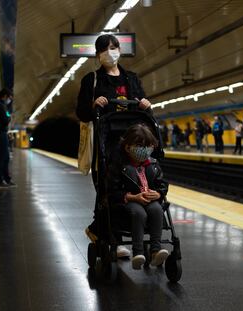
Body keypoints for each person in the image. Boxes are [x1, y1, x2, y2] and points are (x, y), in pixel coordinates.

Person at [76, 34, 152, 257]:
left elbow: (142, 108)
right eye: (107, 49)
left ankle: (101, 229)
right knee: (109, 191)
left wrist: (146, 104)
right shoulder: (92, 81)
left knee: (133, 188)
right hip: (105, 145)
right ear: (98, 54)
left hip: (131, 146)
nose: (112, 52)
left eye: (115, 47)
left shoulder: (131, 79)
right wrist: (93, 105)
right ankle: (113, 238)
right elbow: (81, 113)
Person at [107, 124, 169, 269]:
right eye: (140, 145)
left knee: (157, 210)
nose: (144, 149)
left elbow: (162, 183)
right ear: (127, 147)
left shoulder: (153, 164)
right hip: (129, 200)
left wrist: (159, 193)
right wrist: (132, 197)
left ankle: (155, 251)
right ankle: (138, 253)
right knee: (138, 213)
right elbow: (111, 190)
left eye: (148, 146)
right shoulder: (119, 165)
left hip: (149, 199)